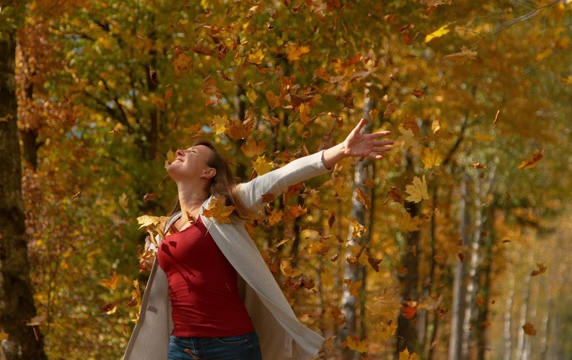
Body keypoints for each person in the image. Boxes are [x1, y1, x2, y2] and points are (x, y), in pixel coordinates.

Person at [123, 118, 394, 360]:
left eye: (192, 152)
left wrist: (340, 151)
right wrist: (152, 258)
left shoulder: (223, 207)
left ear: (208, 173)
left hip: (230, 345)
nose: (181, 151)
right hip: (181, 347)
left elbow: (280, 177)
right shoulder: (167, 226)